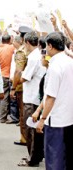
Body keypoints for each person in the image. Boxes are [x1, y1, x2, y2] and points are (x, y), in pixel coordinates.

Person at [36, 32, 73, 170]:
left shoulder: (55, 67)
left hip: (56, 120)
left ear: (50, 46)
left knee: (54, 159)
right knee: (65, 158)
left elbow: (50, 97)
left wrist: (42, 118)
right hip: (69, 117)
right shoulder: (70, 62)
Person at [17, 31, 46, 167]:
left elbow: (23, 77)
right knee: (36, 130)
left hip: (32, 98)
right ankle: (36, 156)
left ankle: (32, 159)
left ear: (27, 43)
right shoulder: (38, 54)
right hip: (37, 97)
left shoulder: (33, 57)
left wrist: (19, 71)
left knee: (31, 130)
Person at [0, 35, 16, 123]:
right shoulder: (11, 48)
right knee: (4, 97)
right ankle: (3, 118)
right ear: (10, 39)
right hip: (6, 75)